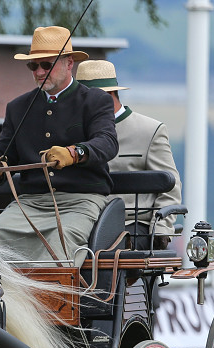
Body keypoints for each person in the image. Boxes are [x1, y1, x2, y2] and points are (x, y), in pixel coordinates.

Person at [0, 26, 118, 266]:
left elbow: (107, 142)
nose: (39, 71)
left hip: (81, 201)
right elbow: (4, 154)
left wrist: (74, 153)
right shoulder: (18, 107)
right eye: (33, 66)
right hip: (30, 202)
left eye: (46, 65)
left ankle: (51, 303)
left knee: (58, 247)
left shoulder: (96, 100)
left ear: (69, 63)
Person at [76, 59, 182, 250]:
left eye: (84, 99)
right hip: (81, 224)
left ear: (107, 96)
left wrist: (160, 230)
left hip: (132, 227)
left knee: (105, 252)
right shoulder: (73, 133)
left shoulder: (149, 131)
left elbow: (171, 188)